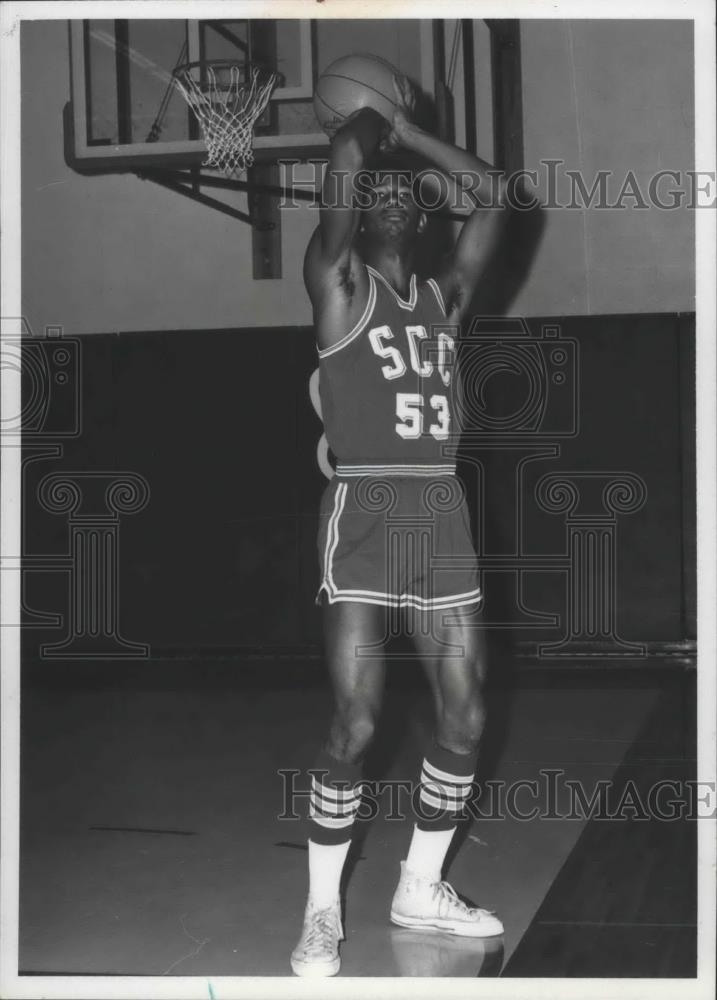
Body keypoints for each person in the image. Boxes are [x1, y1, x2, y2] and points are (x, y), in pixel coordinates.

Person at [291, 76, 509, 978]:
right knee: (356, 720)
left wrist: (411, 133)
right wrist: (368, 122)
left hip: (439, 514)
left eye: (399, 193)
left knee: (464, 713)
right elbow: (345, 155)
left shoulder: (444, 303)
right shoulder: (337, 285)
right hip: (367, 512)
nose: (381, 190)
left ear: (417, 222)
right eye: (372, 189)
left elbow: (495, 195)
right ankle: (319, 911)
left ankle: (420, 886)